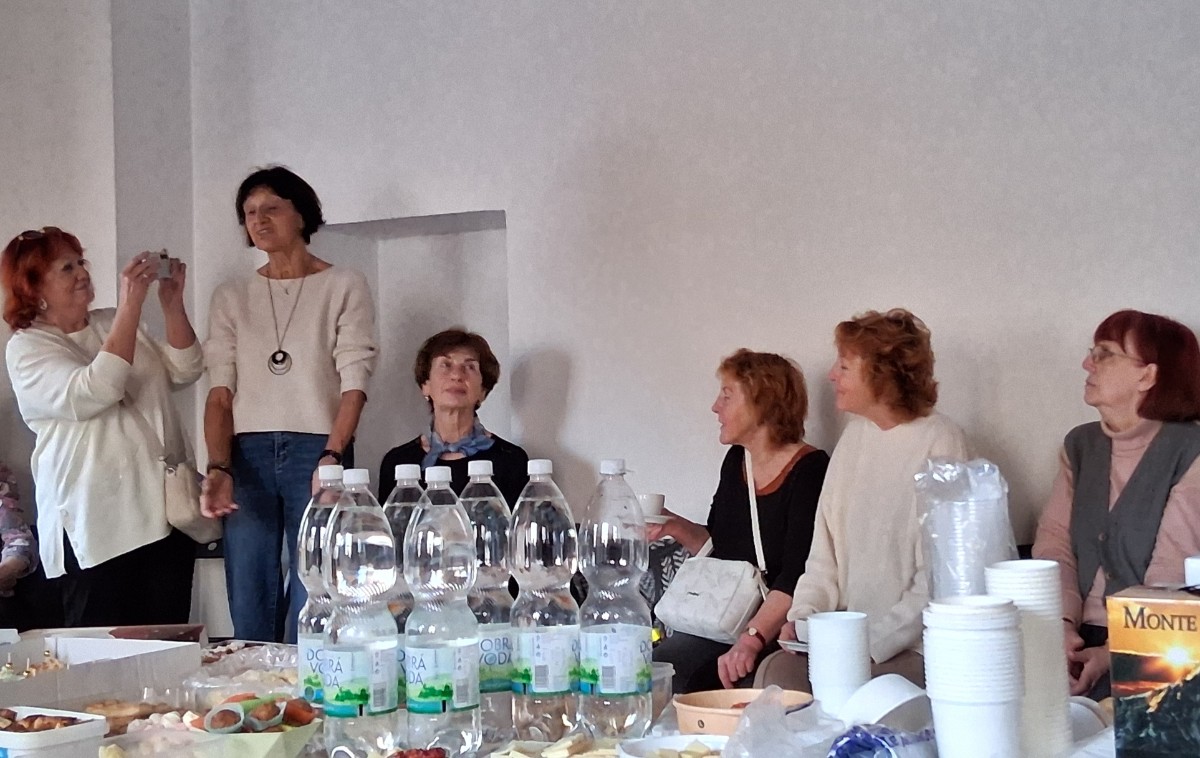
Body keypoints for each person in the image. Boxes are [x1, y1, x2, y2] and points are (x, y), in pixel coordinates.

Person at [200, 167, 379, 642]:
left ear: (301, 214)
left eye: (271, 209)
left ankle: (308, 680)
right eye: (249, 213)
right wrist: (218, 466)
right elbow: (219, 393)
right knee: (249, 588)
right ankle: (256, 682)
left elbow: (354, 382)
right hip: (247, 453)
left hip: (317, 448)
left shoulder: (344, 283)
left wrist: (333, 454)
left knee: (316, 585)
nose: (259, 220)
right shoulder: (232, 295)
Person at [758, 309, 969, 690]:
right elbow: (824, 555)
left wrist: (869, 645)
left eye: (844, 366)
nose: (831, 375)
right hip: (844, 643)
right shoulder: (854, 438)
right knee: (775, 675)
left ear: (881, 374)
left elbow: (938, 579)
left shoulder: (942, 440)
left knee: (859, 692)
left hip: (911, 648)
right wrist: (802, 618)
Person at [3, 227, 202, 626]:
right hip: (97, 524)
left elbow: (186, 369)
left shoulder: (110, 321)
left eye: (81, 262)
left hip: (164, 513)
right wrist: (131, 304)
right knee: (100, 652)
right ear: (34, 288)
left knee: (167, 647)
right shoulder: (28, 347)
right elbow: (96, 390)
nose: (82, 273)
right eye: (66, 268)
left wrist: (171, 304)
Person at [1033, 309, 1200, 699]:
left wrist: (1113, 652)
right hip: (1073, 634)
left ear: (1148, 375)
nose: (1087, 363)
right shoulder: (1080, 445)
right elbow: (1054, 545)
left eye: (1105, 353)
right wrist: (1060, 625)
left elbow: (1173, 573)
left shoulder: (1190, 450)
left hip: (1157, 642)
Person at [649, 349, 829, 693]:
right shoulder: (736, 461)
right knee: (659, 670)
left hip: (775, 627)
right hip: (727, 620)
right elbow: (721, 548)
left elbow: (799, 573)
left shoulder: (810, 470)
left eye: (727, 395)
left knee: (703, 678)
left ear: (763, 402)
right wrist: (672, 525)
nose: (715, 407)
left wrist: (750, 639)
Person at [378, 328, 529, 505]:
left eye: (470, 367)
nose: (457, 375)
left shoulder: (511, 460)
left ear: (482, 390)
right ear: (425, 385)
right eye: (445, 365)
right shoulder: (399, 463)